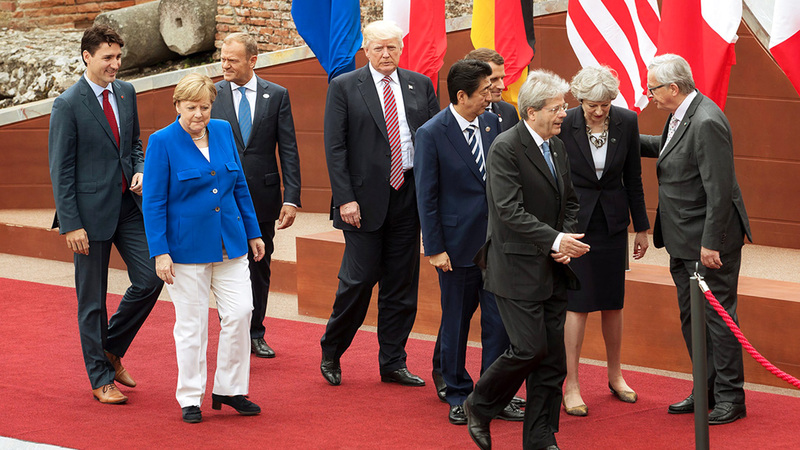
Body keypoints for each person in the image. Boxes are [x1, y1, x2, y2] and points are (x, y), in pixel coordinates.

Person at [464, 70, 590, 450]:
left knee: (552, 361)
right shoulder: (506, 147)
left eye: (563, 107)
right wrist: (556, 239)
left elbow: (570, 202)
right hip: (515, 269)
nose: (564, 114)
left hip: (553, 268)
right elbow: (508, 211)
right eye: (556, 108)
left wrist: (563, 242)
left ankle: (540, 438)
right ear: (532, 112)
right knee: (530, 349)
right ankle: (479, 405)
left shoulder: (557, 146)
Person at [319, 20, 440, 387]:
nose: (386, 54)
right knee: (357, 282)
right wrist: (345, 199)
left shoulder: (420, 84)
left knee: (401, 286)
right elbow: (335, 147)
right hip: (361, 202)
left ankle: (393, 362)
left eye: (392, 47)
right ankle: (332, 350)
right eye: (378, 48)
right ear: (366, 50)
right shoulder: (344, 86)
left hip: (409, 196)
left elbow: (434, 140)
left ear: (401, 49)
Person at [48, 24, 163, 404]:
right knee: (93, 301)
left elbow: (134, 145)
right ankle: (100, 378)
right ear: (87, 57)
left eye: (118, 57)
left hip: (128, 208)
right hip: (88, 216)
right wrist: (71, 224)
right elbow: (61, 169)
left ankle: (111, 350)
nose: (115, 64)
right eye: (107, 58)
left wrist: (140, 169)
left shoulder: (126, 92)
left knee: (152, 277)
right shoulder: (67, 104)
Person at [142, 73, 266, 424]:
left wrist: (254, 232)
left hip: (230, 242)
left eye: (205, 107)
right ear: (177, 106)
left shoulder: (223, 130)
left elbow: (239, 185)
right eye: (191, 107)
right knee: (192, 326)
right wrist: (160, 252)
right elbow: (153, 202)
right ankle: (190, 397)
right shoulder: (162, 141)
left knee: (241, 313)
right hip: (185, 249)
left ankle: (230, 389)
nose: (199, 114)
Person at [640, 54, 751, 425]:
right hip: (681, 239)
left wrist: (711, 243)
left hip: (707, 243)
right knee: (694, 320)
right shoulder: (681, 112)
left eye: (653, 89)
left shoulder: (706, 121)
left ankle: (731, 397)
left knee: (719, 320)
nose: (649, 95)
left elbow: (719, 189)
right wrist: (621, 136)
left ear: (673, 88)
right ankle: (706, 390)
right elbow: (669, 147)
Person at [415, 59, 523, 425]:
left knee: (499, 325)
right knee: (456, 324)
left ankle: (491, 395)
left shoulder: (494, 123)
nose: (491, 97)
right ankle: (458, 394)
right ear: (462, 96)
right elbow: (426, 196)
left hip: (497, 247)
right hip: (456, 248)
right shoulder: (432, 132)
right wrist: (434, 248)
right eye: (483, 92)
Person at [559, 66, 650, 416]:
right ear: (579, 99)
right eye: (591, 105)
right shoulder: (565, 122)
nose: (598, 111)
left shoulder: (626, 121)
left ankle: (616, 375)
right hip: (575, 224)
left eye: (605, 105)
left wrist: (641, 228)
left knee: (613, 301)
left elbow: (633, 178)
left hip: (612, 223)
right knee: (578, 303)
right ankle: (572, 383)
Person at [210, 32, 302, 359]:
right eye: (222, 59)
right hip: (221, 197)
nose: (224, 65)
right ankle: (231, 328)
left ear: (252, 61)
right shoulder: (212, 94)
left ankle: (255, 332)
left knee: (259, 266)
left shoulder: (276, 95)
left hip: (262, 197)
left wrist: (291, 197)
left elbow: (288, 148)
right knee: (224, 264)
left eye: (232, 60)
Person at [465, 48, 520, 131]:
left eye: (502, 78)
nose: (502, 86)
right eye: (493, 79)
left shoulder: (509, 111)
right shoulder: (455, 117)